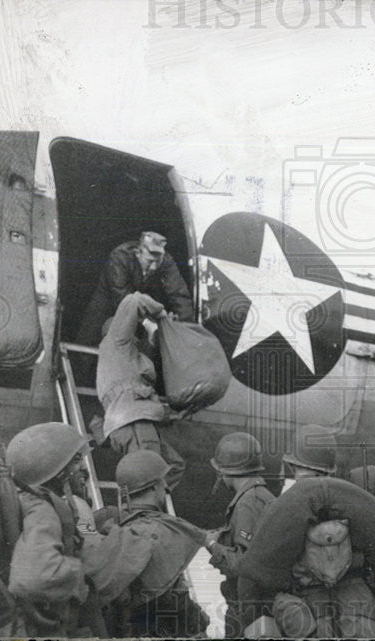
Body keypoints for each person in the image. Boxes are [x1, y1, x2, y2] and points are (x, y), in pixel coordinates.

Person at [235, 475, 375, 639]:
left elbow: (251, 578)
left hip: (305, 613)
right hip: (360, 607)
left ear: (290, 467)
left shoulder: (283, 508)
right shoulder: (355, 501)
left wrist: (253, 625)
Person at [86, 450, 211, 638]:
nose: (166, 487)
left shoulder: (112, 524)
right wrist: (199, 621)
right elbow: (174, 598)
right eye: (163, 482)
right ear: (154, 487)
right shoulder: (161, 530)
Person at [5, 422, 102, 637]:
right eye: (76, 460)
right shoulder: (43, 509)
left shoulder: (35, 503)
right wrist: (81, 577)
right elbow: (34, 578)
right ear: (58, 472)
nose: (84, 468)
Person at [96, 290, 185, 490]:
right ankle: (143, 508)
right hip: (135, 424)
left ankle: (149, 500)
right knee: (146, 477)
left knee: (175, 466)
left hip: (135, 422)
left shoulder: (126, 359)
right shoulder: (116, 340)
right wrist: (160, 314)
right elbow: (134, 300)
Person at [205, 432, 276, 638]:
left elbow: (246, 565)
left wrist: (211, 545)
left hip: (247, 611)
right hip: (258, 608)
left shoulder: (247, 503)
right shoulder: (261, 496)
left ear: (225, 471)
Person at [77, 231, 194, 346]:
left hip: (141, 305)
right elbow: (121, 296)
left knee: (146, 344)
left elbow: (179, 294)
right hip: (110, 301)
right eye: (149, 261)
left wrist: (185, 327)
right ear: (138, 253)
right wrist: (147, 322)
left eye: (157, 262)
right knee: (89, 337)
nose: (153, 267)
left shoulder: (165, 261)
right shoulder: (119, 257)